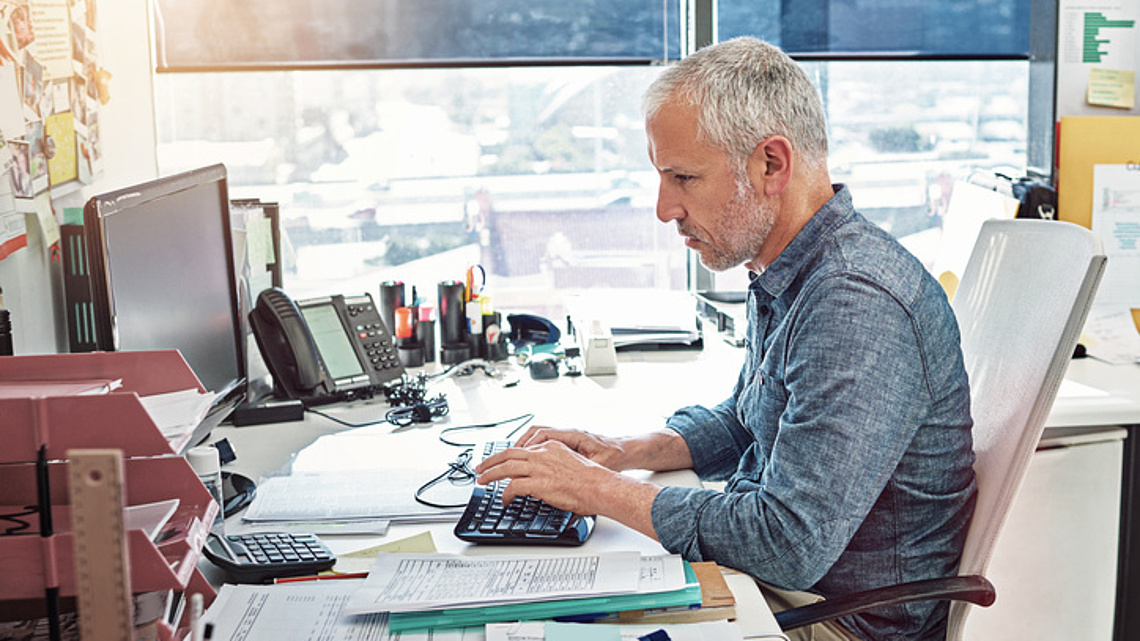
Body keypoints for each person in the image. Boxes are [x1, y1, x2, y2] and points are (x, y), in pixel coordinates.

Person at [476, 37, 977, 641]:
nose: (665, 209)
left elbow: (787, 542)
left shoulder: (854, 301)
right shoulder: (788, 267)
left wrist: (599, 492)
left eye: (683, 177)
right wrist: (623, 451)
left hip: (830, 620)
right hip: (781, 591)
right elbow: (748, 418)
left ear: (772, 165)